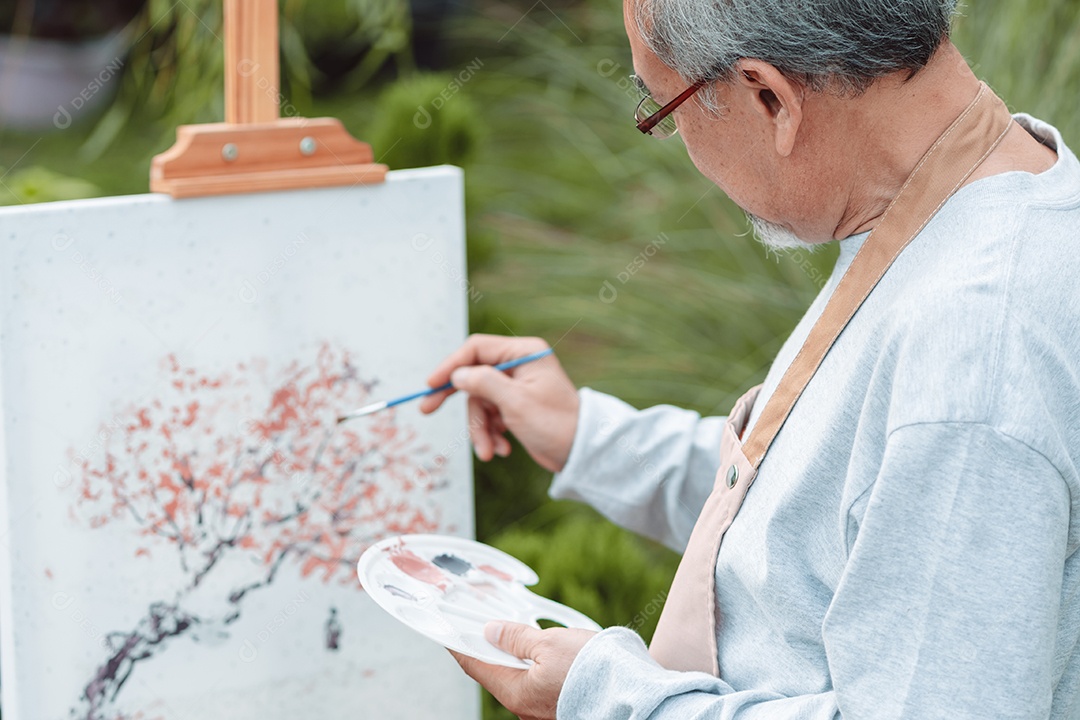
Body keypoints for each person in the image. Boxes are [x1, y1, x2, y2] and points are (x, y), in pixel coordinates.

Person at [420, 0, 1080, 717]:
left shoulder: (971, 356)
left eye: (661, 106)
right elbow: (823, 507)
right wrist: (588, 437)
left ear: (768, 97)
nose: (677, 140)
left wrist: (608, 697)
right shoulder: (960, 202)